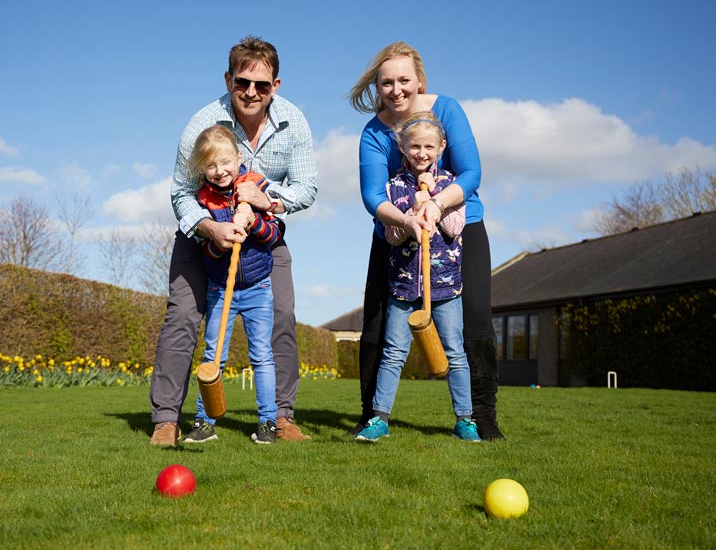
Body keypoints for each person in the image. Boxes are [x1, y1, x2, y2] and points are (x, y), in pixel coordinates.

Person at [149, 36, 317, 446]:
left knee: (282, 314)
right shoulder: (202, 123)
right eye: (242, 82)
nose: (251, 93)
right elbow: (180, 192)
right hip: (203, 236)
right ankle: (167, 420)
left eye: (262, 85)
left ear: (275, 86)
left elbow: (307, 188)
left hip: (262, 238)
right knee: (183, 318)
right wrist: (211, 227)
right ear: (228, 80)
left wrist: (267, 199)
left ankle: (280, 418)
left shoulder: (293, 122)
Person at [348, 41, 504, 441]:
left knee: (474, 318)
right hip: (397, 228)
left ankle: (480, 417)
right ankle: (373, 416)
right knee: (378, 324)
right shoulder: (374, 132)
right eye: (387, 83)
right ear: (377, 87)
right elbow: (372, 196)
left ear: (419, 80)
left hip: (457, 225)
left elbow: (471, 173)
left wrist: (435, 206)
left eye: (404, 80)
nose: (396, 89)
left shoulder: (447, 110)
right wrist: (407, 219)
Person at [355, 113, 481, 443]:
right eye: (414, 147)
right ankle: (379, 417)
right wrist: (411, 213)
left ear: (441, 147)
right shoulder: (394, 187)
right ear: (403, 148)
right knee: (393, 351)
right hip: (403, 285)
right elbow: (392, 235)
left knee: (455, 352)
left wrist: (436, 208)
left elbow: (456, 230)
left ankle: (465, 419)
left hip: (445, 287)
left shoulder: (451, 186)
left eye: (428, 146)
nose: (421, 153)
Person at [180, 125, 281, 444]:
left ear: (239, 157)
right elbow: (203, 248)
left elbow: (276, 234)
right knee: (213, 356)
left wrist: (254, 221)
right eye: (210, 165)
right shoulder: (202, 200)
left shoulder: (254, 185)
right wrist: (218, 242)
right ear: (201, 169)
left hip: (258, 288)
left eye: (225, 162)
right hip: (220, 289)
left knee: (262, 355)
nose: (219, 170)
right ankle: (204, 420)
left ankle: (268, 422)